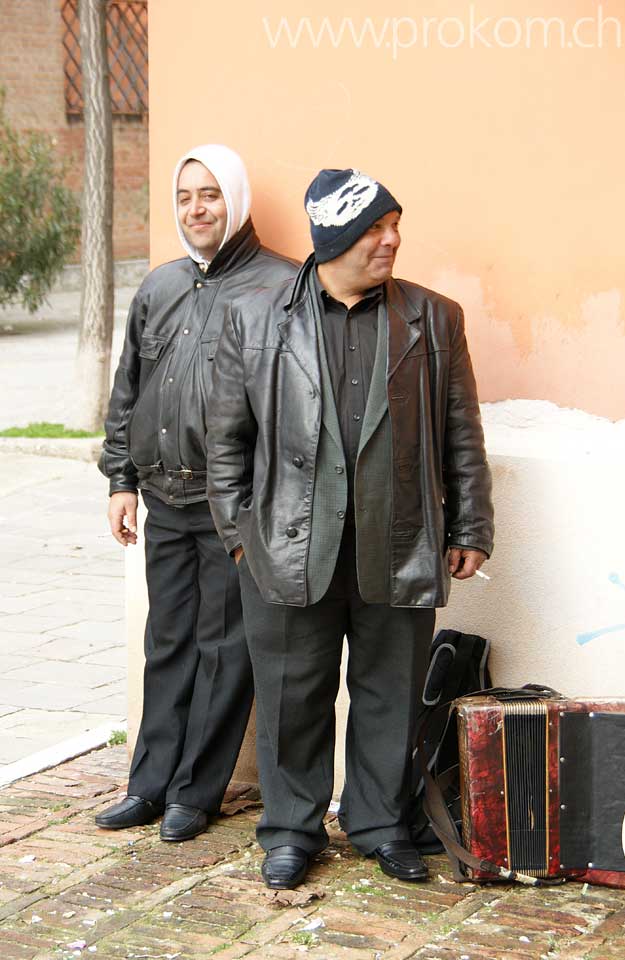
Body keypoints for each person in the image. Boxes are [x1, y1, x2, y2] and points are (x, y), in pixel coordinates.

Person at [206, 167, 494, 887]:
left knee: (390, 694)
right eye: (374, 228)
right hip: (285, 547)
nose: (391, 240)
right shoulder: (256, 316)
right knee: (289, 695)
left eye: (394, 225)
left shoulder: (435, 318)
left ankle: (378, 823)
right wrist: (242, 535)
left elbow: (462, 432)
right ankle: (291, 832)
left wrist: (470, 524)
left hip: (398, 545)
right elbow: (223, 442)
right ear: (333, 237)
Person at [96, 144, 297, 841]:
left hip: (235, 509)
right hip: (164, 499)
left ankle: (195, 793)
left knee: (224, 647)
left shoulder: (281, 286)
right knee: (168, 640)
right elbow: (129, 390)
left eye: (209, 194)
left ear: (234, 199)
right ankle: (148, 784)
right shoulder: (159, 287)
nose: (196, 208)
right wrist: (121, 478)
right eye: (184, 196)